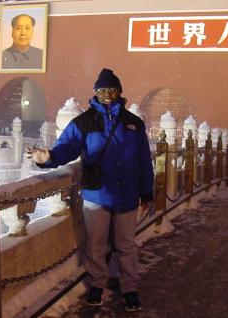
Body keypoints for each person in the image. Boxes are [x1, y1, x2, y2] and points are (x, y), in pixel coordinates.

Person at [29, 68, 154, 312]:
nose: (107, 94)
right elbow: (66, 148)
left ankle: (130, 288)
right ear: (95, 93)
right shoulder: (84, 122)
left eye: (112, 89)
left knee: (126, 245)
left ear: (120, 92)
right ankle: (97, 284)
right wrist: (47, 158)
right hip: (97, 194)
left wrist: (146, 192)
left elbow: (143, 161)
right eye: (102, 90)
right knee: (96, 245)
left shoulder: (133, 124)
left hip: (128, 196)